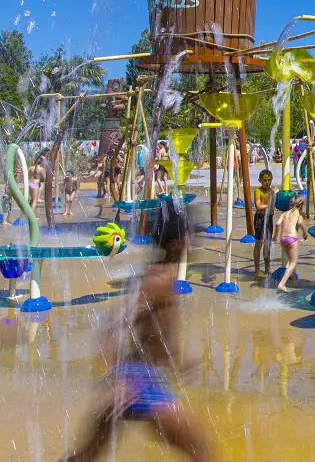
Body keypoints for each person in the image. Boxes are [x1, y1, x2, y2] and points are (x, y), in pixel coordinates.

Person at [64, 197, 213, 460]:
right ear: (177, 241)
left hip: (141, 379)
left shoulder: (163, 275)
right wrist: (111, 374)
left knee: (86, 454)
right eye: (192, 235)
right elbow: (116, 321)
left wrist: (178, 359)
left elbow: (154, 331)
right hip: (139, 384)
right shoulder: (158, 279)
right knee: (199, 448)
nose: (196, 242)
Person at [273, 194, 305, 292]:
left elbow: (278, 223)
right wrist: (305, 233)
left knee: (291, 260)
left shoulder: (284, 214)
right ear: (301, 204)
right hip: (292, 239)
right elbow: (299, 223)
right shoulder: (299, 215)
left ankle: (294, 280)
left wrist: (275, 236)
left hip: (283, 239)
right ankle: (282, 284)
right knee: (293, 262)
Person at [252, 169, 275, 277]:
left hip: (269, 218)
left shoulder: (272, 191)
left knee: (268, 243)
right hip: (260, 218)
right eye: (265, 180)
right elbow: (258, 206)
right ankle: (257, 268)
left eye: (269, 180)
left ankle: (267, 267)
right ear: (260, 180)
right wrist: (269, 205)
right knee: (259, 242)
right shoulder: (258, 191)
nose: (267, 182)